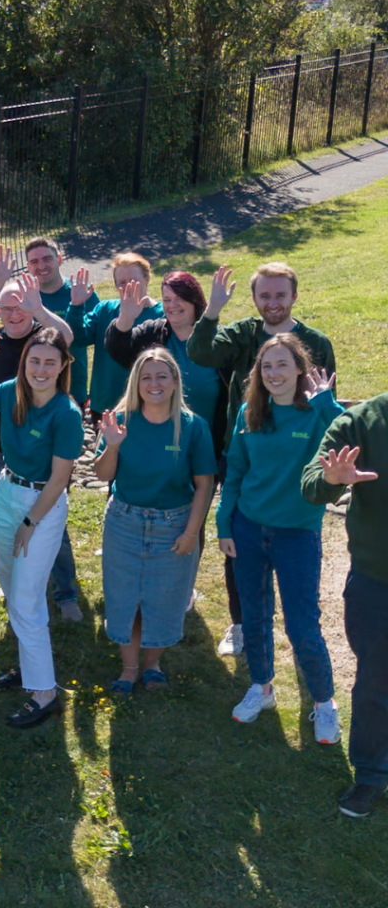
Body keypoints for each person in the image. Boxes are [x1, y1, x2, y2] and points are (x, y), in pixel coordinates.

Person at [187, 262, 336, 657]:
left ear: (294, 297)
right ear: (254, 299)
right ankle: (241, 622)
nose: (272, 303)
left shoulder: (316, 343)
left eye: (280, 295)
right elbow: (200, 352)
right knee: (239, 534)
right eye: (265, 296)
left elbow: (327, 403)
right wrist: (213, 310)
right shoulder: (243, 334)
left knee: (295, 541)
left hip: (296, 460)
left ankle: (300, 625)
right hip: (244, 451)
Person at [215, 337, 343, 741]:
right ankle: (262, 687)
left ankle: (324, 703)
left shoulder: (317, 413)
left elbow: (349, 440)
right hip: (249, 530)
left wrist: (325, 404)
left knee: (302, 624)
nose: (273, 374)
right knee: (254, 616)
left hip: (297, 533)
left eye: (282, 365)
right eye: (266, 366)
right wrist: (224, 524)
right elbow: (234, 472)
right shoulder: (250, 414)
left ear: (299, 369)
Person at [0, 327, 83, 727]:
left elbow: (60, 478)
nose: (40, 369)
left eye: (50, 362)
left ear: (63, 364)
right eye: (34, 360)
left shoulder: (66, 413)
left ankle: (45, 694)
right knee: (14, 591)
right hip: (6, 491)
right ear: (24, 362)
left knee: (27, 600)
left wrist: (31, 521)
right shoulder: (13, 389)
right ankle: (29, 671)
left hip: (40, 505)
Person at [93, 349, 216, 694]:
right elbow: (103, 475)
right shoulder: (121, 420)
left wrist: (192, 532)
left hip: (173, 525)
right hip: (125, 523)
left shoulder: (193, 427)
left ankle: (153, 664)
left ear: (176, 381)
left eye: (162, 376)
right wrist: (112, 446)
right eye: (146, 377)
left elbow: (205, 483)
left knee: (163, 600)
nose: (154, 383)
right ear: (136, 383)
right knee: (124, 598)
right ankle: (129, 668)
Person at [0, 274, 82, 623]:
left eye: (19, 307)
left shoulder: (44, 338)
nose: (12, 313)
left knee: (52, 528)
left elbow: (67, 338)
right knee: (8, 528)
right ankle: (20, 584)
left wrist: (40, 309)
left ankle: (65, 592)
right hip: (11, 452)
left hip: (47, 452)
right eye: (6, 308)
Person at [302, 389, 388, 819]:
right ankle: (371, 775)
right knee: (376, 683)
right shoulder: (362, 422)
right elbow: (310, 484)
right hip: (378, 582)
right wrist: (333, 479)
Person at [104, 270, 225, 452]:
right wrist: (126, 318)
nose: (172, 305)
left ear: (195, 301)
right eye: (167, 300)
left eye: (180, 298)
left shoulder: (219, 340)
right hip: (157, 440)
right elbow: (118, 351)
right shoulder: (153, 333)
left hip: (207, 442)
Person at [0, 240, 97, 407]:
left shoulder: (79, 291)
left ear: (60, 259)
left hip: (72, 386)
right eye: (34, 262)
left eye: (47, 259)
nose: (41, 266)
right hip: (35, 388)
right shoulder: (25, 293)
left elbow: (96, 336)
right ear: (27, 266)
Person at [65, 252, 164, 425]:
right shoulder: (106, 309)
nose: (128, 287)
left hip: (145, 407)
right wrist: (76, 305)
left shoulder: (162, 315)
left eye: (133, 281)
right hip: (104, 407)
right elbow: (76, 339)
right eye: (122, 283)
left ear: (147, 279)